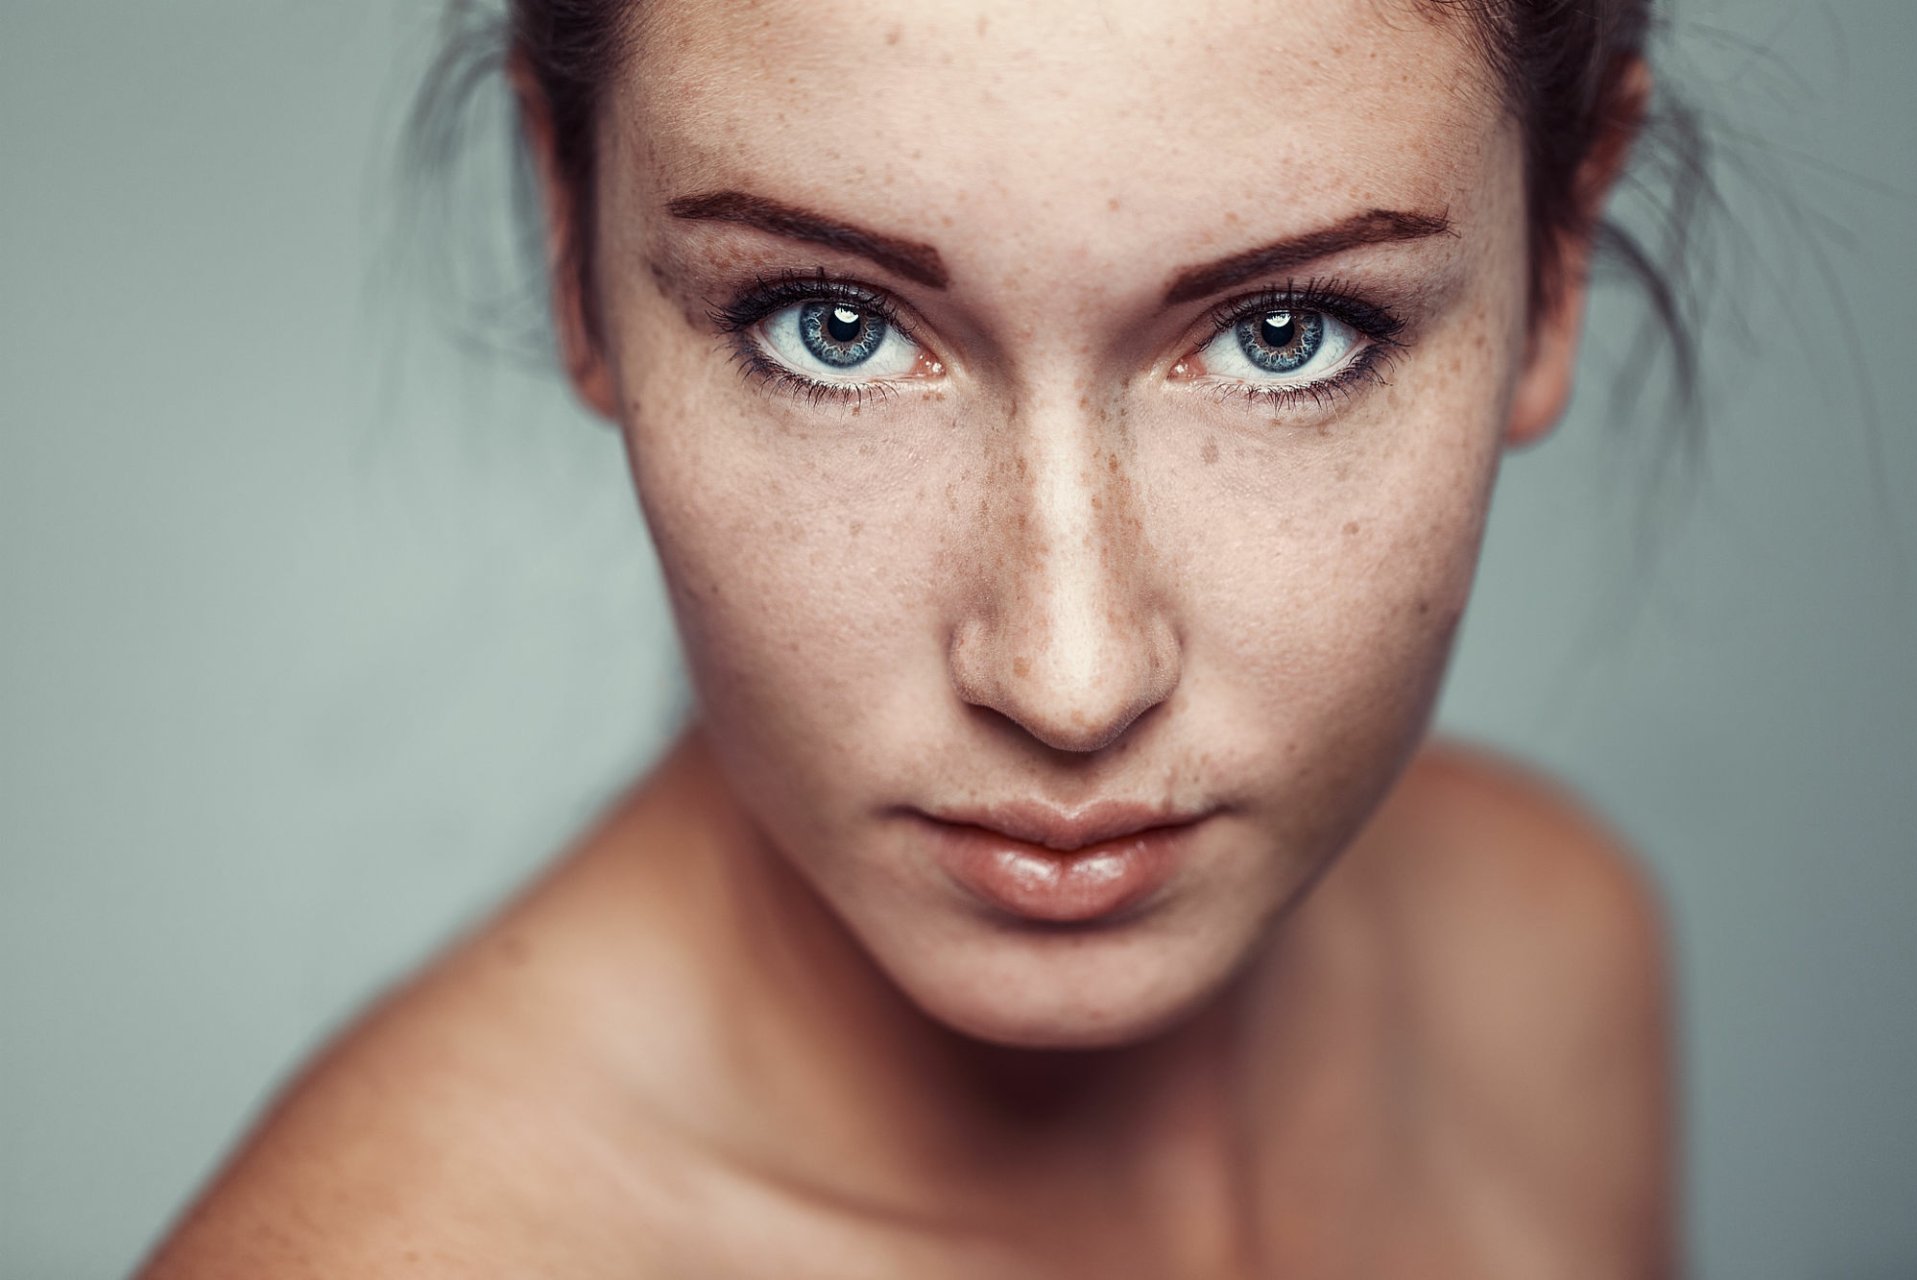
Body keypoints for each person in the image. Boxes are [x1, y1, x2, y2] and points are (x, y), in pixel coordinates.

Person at [140, 0, 1684, 1273]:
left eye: (1288, 334)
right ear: (572, 236)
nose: (1068, 680)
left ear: (1556, 260)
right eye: (835, 323)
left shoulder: (1544, 959)